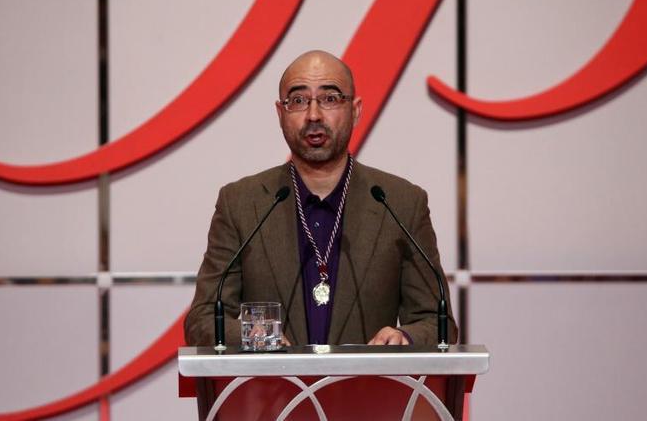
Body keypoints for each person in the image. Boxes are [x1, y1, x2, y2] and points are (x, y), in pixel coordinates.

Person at [184, 50, 457, 346]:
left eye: (329, 98)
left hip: (369, 389)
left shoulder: (401, 203)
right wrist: (259, 336)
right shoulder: (241, 204)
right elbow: (203, 319)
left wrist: (404, 336)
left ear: (355, 110)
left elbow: (437, 321)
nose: (313, 115)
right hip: (273, 391)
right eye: (298, 101)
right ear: (280, 113)